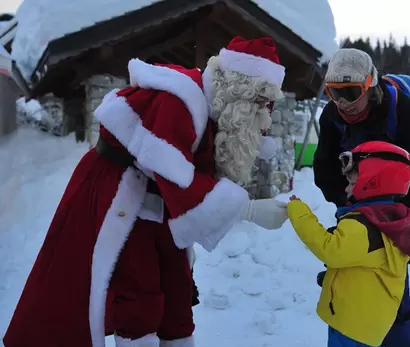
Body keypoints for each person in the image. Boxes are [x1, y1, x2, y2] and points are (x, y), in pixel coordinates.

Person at [3, 36, 289, 347]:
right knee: (138, 293)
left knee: (177, 290)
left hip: (156, 200)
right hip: (119, 195)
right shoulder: (179, 101)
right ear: (240, 91)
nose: (265, 117)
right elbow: (177, 179)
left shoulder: (215, 108)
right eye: (261, 106)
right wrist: (248, 210)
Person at [313, 48, 410, 346]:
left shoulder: (400, 110)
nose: (341, 103)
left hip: (397, 210)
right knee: (352, 279)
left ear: (370, 85)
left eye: (351, 92)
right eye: (333, 93)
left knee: (389, 284)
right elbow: (323, 169)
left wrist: (397, 222)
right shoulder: (333, 116)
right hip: (353, 205)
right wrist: (350, 206)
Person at [288, 141, 410, 347]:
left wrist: (298, 211)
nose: (346, 188)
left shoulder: (362, 225)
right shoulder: (393, 219)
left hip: (351, 326)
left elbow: (329, 249)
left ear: (373, 182)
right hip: (369, 322)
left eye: (352, 183)